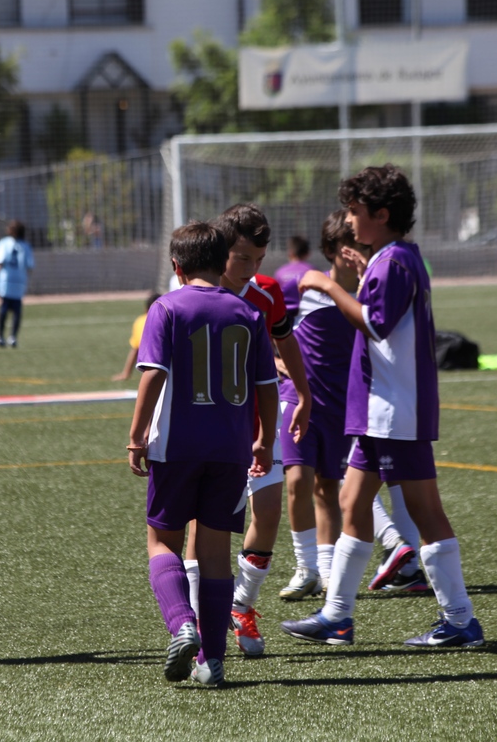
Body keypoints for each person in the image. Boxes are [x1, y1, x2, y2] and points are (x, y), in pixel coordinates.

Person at [281, 164, 484, 649]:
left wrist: (330, 286)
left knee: (425, 512)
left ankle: (460, 620)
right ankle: (337, 616)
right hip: (379, 411)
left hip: (396, 410)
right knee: (351, 503)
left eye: (355, 212)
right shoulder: (393, 258)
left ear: (381, 214)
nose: (349, 221)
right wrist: (361, 270)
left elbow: (374, 324)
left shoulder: (394, 262)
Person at [127, 220, 279, 687]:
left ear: (177, 267)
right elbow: (267, 386)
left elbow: (151, 375)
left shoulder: (167, 308)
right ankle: (211, 662)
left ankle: (182, 624)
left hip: (176, 447)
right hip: (230, 450)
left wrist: (136, 438)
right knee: (215, 554)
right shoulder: (247, 312)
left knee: (162, 543)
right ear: (221, 263)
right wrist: (265, 441)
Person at [188, 203, 311, 659]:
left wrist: (304, 393)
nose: (251, 269)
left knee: (270, 512)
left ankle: (241, 605)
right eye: (242, 258)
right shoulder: (192, 293)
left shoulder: (266, 293)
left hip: (258, 423)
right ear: (221, 250)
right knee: (203, 525)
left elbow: (286, 339)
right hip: (206, 428)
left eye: (259, 260)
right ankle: (200, 617)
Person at [278, 213, 355, 601]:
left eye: (362, 248)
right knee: (296, 481)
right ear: (329, 252)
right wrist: (276, 363)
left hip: (341, 407)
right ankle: (305, 567)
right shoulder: (303, 289)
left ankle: (325, 573)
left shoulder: (370, 294)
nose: (358, 256)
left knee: (328, 489)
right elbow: (272, 326)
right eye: (349, 250)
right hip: (299, 398)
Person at [0, 220, 34, 348]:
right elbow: (30, 266)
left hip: (9, 280)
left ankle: (7, 337)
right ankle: (6, 337)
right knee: (11, 310)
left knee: (9, 310)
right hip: (15, 281)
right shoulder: (24, 245)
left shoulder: (5, 243)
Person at [112, 292, 158, 381]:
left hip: (149, 368)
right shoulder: (171, 320)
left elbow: (135, 349)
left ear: (146, 309)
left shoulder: (140, 321)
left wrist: (126, 373)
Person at [273, 235, 315, 320]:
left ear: (290, 253)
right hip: (308, 317)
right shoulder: (313, 271)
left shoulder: (280, 273)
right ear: (307, 253)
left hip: (285, 319)